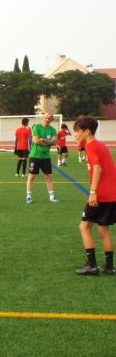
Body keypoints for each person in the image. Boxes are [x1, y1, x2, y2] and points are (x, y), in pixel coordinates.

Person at [72, 116, 116, 276]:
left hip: (102, 195)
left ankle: (92, 265)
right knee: (104, 230)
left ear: (87, 132)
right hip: (112, 194)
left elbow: (97, 168)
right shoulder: (101, 145)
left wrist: (93, 192)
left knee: (84, 226)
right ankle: (109, 267)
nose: (75, 135)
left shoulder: (91, 145)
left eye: (77, 131)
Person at [26, 113, 58, 204]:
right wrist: (49, 142)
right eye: (46, 118)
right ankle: (28, 196)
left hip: (46, 157)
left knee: (49, 177)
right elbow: (36, 141)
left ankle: (51, 196)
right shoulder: (37, 127)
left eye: (49, 118)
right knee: (31, 176)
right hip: (35, 156)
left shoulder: (52, 130)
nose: (47, 119)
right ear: (43, 118)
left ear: (51, 119)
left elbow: (55, 142)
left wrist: (43, 140)